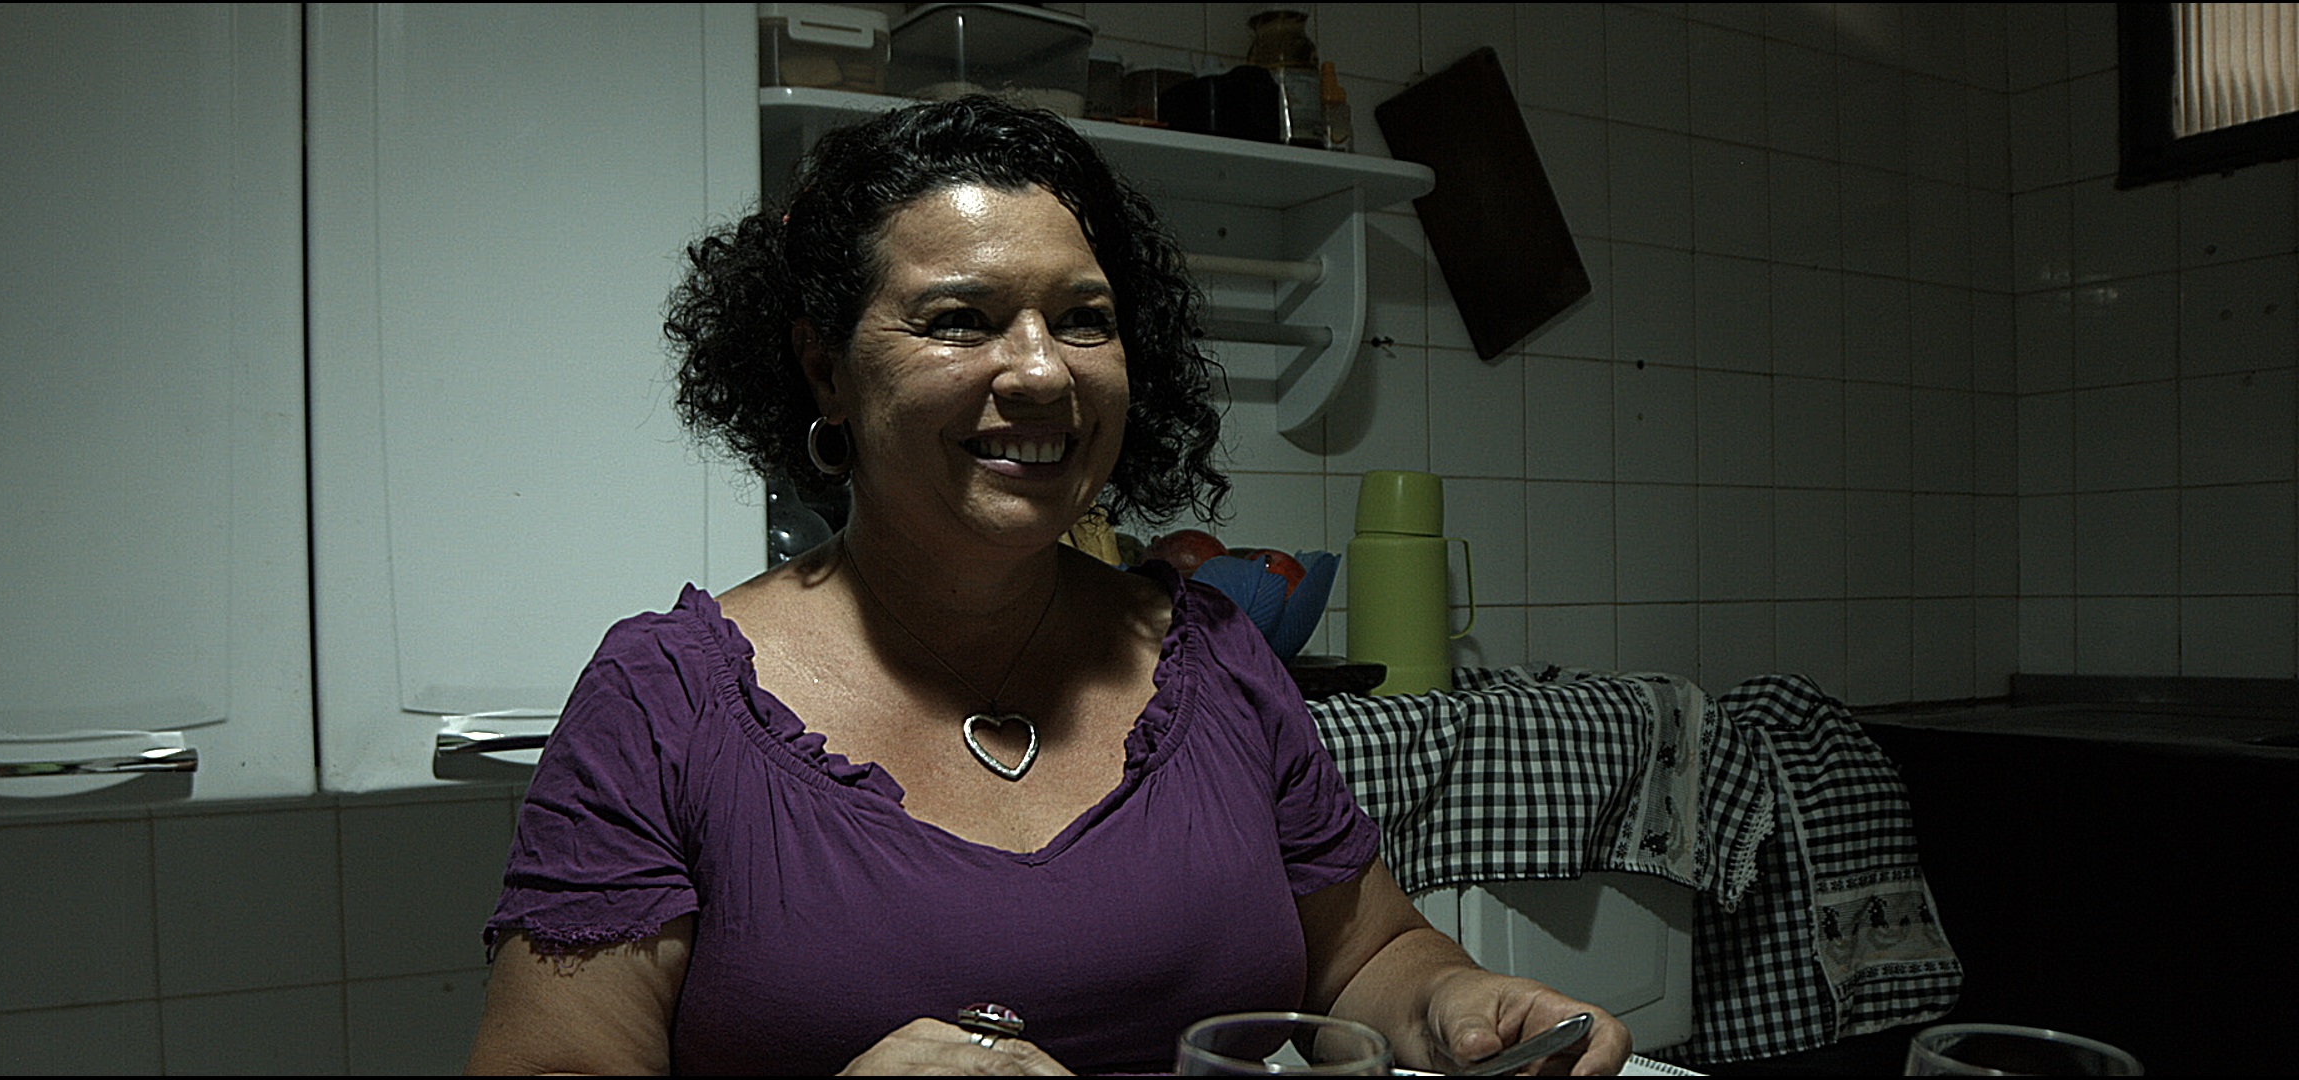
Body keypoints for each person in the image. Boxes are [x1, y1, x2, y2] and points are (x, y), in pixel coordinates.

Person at [464, 96, 1631, 1076]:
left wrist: (1456, 1001)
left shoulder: (1214, 656)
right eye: (959, 319)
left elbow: (1366, 955)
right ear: (824, 367)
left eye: (1083, 320)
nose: (1039, 371)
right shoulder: (664, 700)